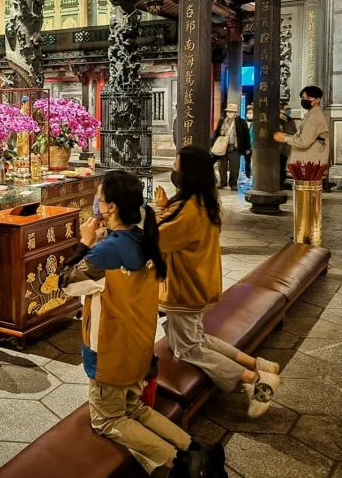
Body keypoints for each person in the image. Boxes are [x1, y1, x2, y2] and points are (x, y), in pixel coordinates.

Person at [60, 170, 223, 476]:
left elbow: (67, 283)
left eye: (100, 197)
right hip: (139, 348)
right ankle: (194, 447)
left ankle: (180, 463)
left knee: (107, 419)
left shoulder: (107, 251)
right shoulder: (146, 239)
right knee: (134, 408)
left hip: (111, 352)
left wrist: (84, 244)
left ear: (112, 207)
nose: (97, 202)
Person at [154, 146, 280, 418]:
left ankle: (255, 381)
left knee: (187, 348)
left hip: (184, 288)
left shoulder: (188, 212)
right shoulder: (205, 201)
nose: (174, 171)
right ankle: (258, 364)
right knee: (196, 339)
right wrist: (166, 208)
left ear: (189, 174)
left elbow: (160, 238)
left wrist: (155, 213)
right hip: (199, 284)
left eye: (177, 166)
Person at [274, 86, 329, 167]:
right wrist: (286, 136)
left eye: (308, 98)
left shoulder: (314, 117)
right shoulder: (310, 114)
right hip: (306, 161)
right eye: (303, 97)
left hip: (309, 163)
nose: (304, 100)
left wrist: (285, 138)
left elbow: (304, 142)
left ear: (317, 100)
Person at [212, 103, 250, 190]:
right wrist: (213, 144)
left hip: (235, 148)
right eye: (228, 111)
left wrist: (247, 148)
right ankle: (222, 182)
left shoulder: (241, 122)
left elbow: (246, 136)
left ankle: (233, 184)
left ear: (235, 113)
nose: (229, 113)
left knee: (234, 167)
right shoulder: (222, 121)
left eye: (231, 112)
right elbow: (216, 133)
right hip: (222, 148)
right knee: (222, 166)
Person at [277, 101, 297, 189]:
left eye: (288, 110)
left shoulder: (290, 120)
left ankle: (280, 184)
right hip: (274, 149)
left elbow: (292, 133)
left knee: (282, 168)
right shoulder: (274, 120)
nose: (287, 112)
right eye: (286, 109)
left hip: (284, 149)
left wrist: (287, 122)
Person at [245, 103, 254, 179]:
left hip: (254, 145)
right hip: (247, 145)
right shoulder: (244, 123)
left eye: (251, 113)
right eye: (248, 113)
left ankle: (254, 175)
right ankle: (248, 175)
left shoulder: (256, 123)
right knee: (247, 161)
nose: (249, 114)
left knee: (254, 161)